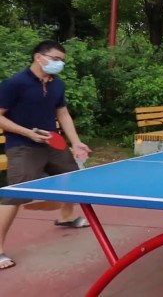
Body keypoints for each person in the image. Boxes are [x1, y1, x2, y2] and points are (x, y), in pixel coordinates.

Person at [0, 40, 92, 270]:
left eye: (62, 61)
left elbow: (63, 114)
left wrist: (76, 142)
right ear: (38, 57)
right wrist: (27, 133)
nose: (59, 63)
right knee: (15, 195)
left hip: (51, 142)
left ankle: (66, 218)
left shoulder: (57, 85)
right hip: (22, 145)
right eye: (55, 59)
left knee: (72, 179)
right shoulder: (15, 83)